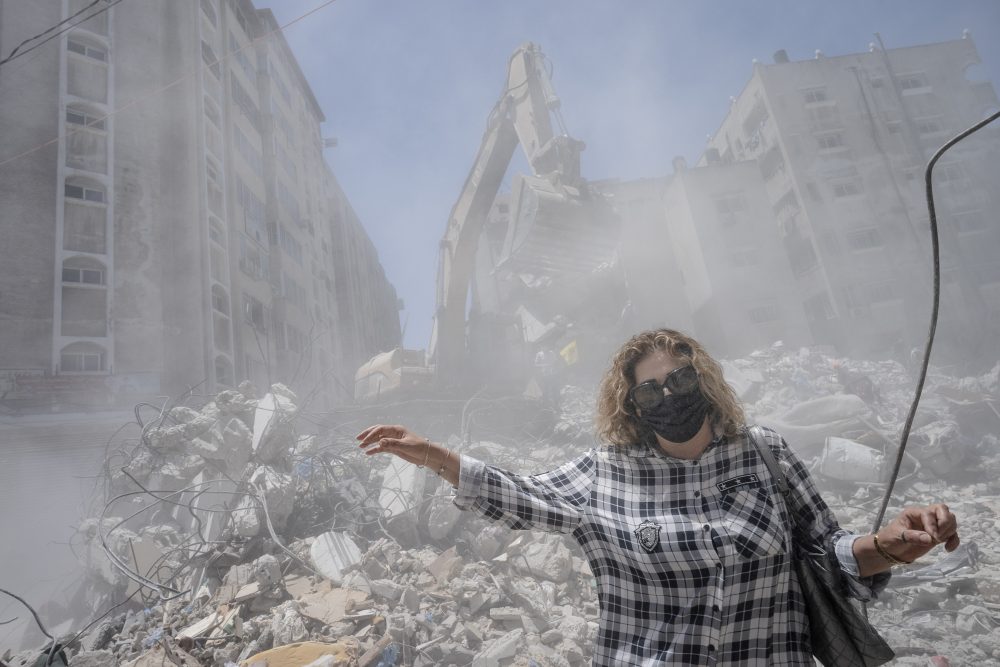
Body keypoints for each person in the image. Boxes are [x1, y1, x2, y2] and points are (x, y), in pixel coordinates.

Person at [357, 328, 960, 666]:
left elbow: (825, 553)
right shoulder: (605, 473)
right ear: (631, 407)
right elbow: (522, 495)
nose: (668, 396)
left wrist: (888, 544)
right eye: (649, 392)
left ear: (703, 380)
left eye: (679, 380)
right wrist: (438, 456)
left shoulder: (765, 454)